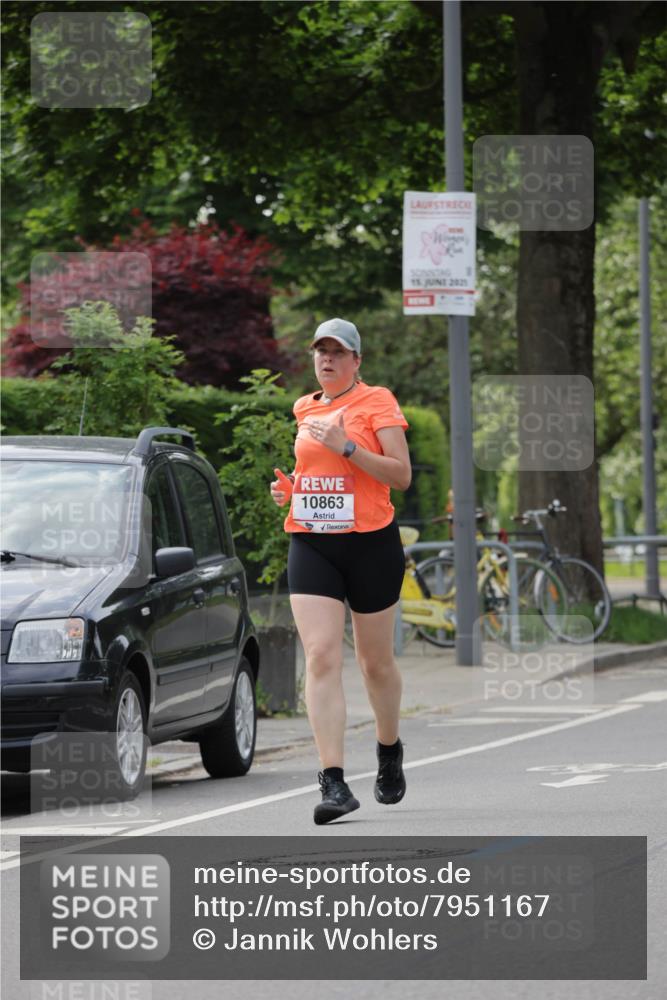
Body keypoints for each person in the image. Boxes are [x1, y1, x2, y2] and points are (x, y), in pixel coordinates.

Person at [270, 317, 412, 825]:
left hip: (371, 544)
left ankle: (389, 747)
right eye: (319, 351)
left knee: (375, 664)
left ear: (356, 361)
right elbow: (313, 471)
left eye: (337, 351)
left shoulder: (378, 402)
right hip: (312, 541)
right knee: (322, 655)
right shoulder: (304, 408)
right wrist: (292, 491)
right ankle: (333, 781)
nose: (326, 359)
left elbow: (401, 475)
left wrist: (347, 445)